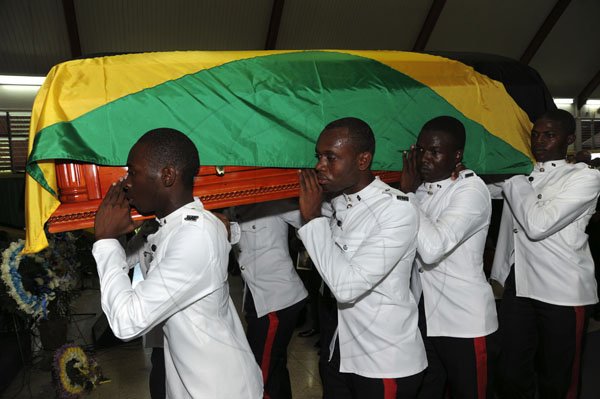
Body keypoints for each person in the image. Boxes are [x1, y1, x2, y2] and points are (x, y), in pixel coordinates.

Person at [92, 128, 263, 398]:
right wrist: (114, 237)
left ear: (167, 176)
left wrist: (105, 241)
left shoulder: (195, 235)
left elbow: (126, 322)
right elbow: (124, 265)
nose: (126, 182)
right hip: (190, 381)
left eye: (133, 172)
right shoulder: (170, 225)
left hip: (220, 387)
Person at [297, 117, 427, 398]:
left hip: (384, 361)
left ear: (363, 159)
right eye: (319, 156)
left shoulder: (395, 210)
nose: (320, 165)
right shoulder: (339, 200)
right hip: (340, 349)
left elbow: (347, 287)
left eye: (331, 157)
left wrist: (311, 219)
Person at [491, 109, 600, 398]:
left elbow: (537, 225)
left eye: (549, 135)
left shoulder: (583, 177)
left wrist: (513, 178)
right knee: (510, 370)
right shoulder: (522, 174)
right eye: (535, 134)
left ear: (569, 139)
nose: (540, 141)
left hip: (562, 290)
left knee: (558, 377)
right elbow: (480, 187)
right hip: (520, 286)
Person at [400, 116, 497, 399]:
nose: (424, 158)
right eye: (420, 150)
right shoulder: (420, 189)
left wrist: (407, 195)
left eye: (434, 151)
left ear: (457, 155)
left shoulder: (470, 189)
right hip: (425, 316)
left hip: (464, 321)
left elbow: (432, 249)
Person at [230, 199, 308, 399]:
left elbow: (314, 218)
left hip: (278, 301)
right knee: (275, 367)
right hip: (256, 298)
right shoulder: (232, 206)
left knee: (258, 376)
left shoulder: (275, 202)